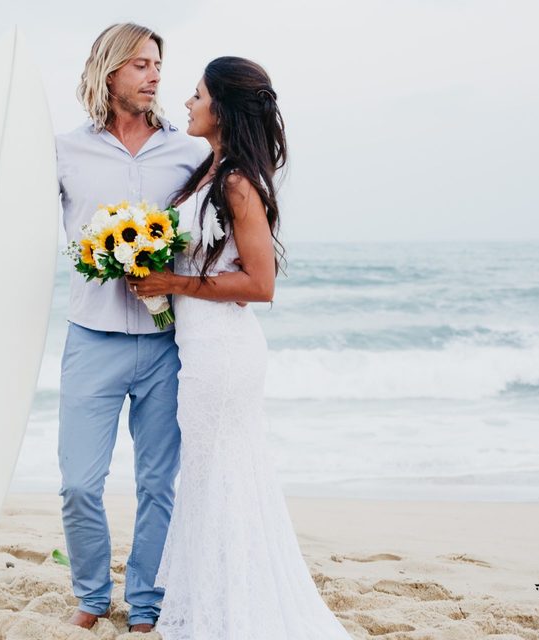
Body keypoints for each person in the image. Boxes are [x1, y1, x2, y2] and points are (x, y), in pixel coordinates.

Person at [0, 23, 207, 633]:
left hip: (169, 344)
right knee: (78, 484)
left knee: (158, 486)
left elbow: (231, 204)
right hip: (92, 339)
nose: (153, 77)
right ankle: (93, 594)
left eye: (158, 66)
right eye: (141, 65)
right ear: (110, 70)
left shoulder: (190, 151)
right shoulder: (64, 151)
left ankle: (145, 604)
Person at [126, 57, 354, 639]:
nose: (187, 103)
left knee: (221, 477)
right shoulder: (210, 171)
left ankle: (234, 613)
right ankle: (218, 604)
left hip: (223, 353)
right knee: (210, 477)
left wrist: (170, 283)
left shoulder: (236, 181)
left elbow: (259, 285)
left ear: (221, 108)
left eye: (197, 95)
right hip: (198, 349)